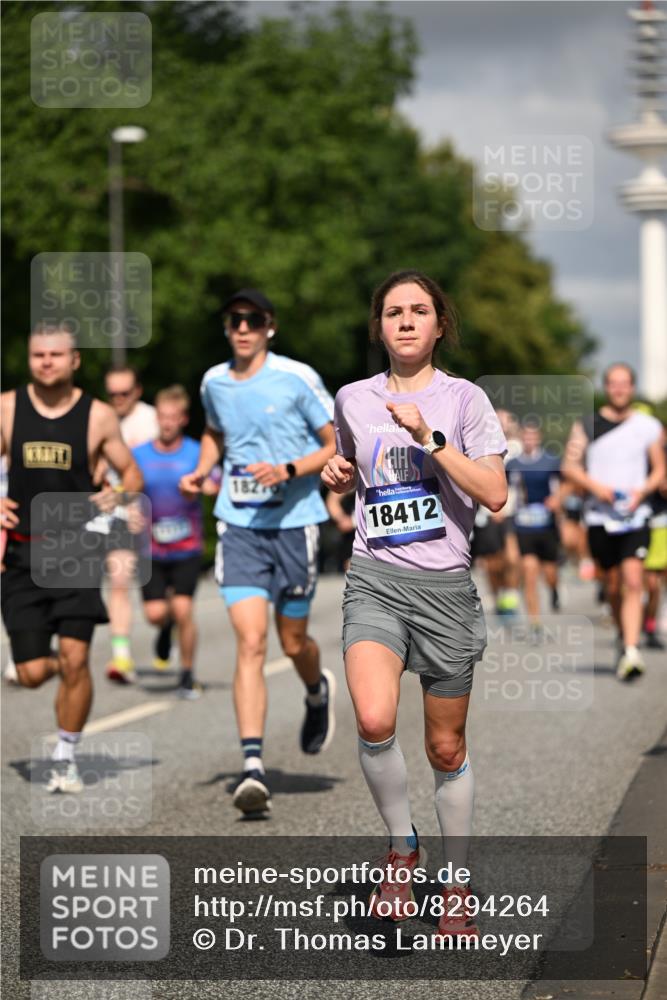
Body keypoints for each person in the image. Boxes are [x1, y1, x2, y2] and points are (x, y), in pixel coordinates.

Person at [322, 270, 507, 940]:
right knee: (373, 718)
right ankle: (402, 849)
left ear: (438, 325)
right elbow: (345, 468)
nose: (404, 321)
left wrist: (430, 438)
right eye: (392, 312)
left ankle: (455, 884)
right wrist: (335, 474)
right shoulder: (352, 398)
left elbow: (493, 493)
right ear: (379, 326)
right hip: (375, 578)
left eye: (418, 311)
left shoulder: (464, 401)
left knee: (444, 742)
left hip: (445, 592)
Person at [180, 288, 337, 816]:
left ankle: (316, 691)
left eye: (252, 320)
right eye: (233, 321)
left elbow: (337, 442)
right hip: (240, 525)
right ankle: (252, 767)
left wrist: (290, 470)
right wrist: (203, 470)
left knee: (292, 643)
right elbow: (214, 432)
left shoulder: (297, 378)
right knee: (250, 643)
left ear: (270, 326)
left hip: (294, 525)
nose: (242, 328)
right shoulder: (213, 382)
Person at [0, 324, 142, 792]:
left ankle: (65, 756)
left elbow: (132, 475)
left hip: (77, 553)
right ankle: (49, 660)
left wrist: (116, 495)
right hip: (22, 555)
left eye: (55, 355)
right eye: (38, 354)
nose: (46, 362)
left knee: (77, 659)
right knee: (32, 674)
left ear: (74, 360)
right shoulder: (6, 408)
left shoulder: (98, 415)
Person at [562, 363, 665, 680]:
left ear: (632, 388)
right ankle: (625, 635)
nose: (619, 389)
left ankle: (632, 651)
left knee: (634, 579)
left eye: (625, 384)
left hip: (636, 516)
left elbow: (660, 469)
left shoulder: (647, 426)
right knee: (613, 585)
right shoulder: (587, 424)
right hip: (599, 517)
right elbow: (570, 466)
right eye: (613, 384)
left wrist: (642, 491)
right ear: (606, 387)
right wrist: (598, 488)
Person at [133, 385, 220, 699]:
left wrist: (206, 487)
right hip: (149, 548)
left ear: (183, 419)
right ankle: (164, 627)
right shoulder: (139, 453)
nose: (166, 422)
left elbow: (215, 482)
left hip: (186, 546)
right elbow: (123, 488)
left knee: (183, 609)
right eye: (162, 416)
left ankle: (186, 675)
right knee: (156, 614)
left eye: (173, 417)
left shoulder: (196, 452)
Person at [103, 365, 158, 683]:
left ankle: (167, 628)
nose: (118, 399)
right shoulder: (101, 419)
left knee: (159, 609)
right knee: (119, 579)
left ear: (137, 391)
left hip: (156, 516)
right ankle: (121, 657)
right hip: (119, 516)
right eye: (112, 394)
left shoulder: (151, 420)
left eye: (124, 393)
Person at [506, 421, 562, 635]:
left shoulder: (550, 461)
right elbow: (508, 493)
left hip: (547, 526)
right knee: (529, 572)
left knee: (549, 573)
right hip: (524, 525)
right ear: (522, 438)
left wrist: (557, 501)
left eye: (533, 436)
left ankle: (554, 588)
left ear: (538, 438)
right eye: (526, 436)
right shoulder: (513, 465)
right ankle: (535, 622)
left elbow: (562, 487)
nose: (529, 440)